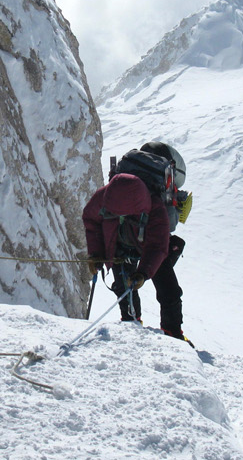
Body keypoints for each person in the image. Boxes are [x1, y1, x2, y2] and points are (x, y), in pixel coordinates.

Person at [83, 141, 193, 345]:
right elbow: (91, 220)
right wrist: (96, 253)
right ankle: (158, 329)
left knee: (139, 287)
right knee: (161, 289)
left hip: (127, 241)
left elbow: (157, 246)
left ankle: (148, 326)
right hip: (126, 240)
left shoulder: (152, 207)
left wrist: (144, 271)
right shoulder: (111, 195)